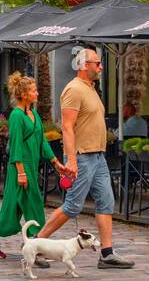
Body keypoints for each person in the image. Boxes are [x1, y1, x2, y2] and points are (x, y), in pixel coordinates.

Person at [34, 48, 135, 269]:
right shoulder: (74, 90)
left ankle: (107, 253)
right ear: (83, 65)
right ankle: (36, 246)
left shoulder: (91, 89)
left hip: (98, 156)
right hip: (82, 156)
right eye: (97, 63)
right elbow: (67, 127)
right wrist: (71, 160)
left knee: (106, 201)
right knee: (72, 206)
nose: (100, 67)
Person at [0, 73, 70, 259]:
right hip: (20, 169)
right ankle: (36, 243)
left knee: (16, 206)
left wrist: (55, 162)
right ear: (23, 94)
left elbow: (41, 141)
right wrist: (21, 172)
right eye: (34, 90)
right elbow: (16, 145)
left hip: (30, 167)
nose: (37, 93)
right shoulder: (16, 116)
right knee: (30, 204)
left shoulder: (34, 114)